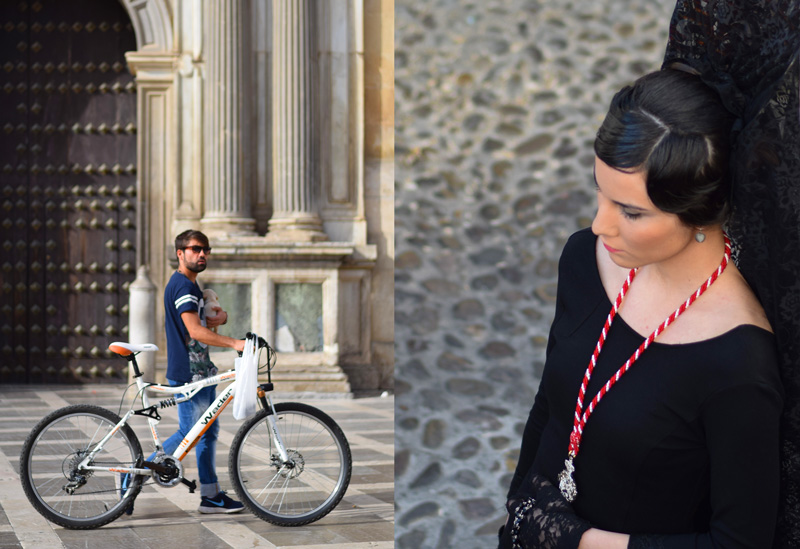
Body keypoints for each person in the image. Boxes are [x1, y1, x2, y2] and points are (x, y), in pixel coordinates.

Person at [499, 69, 783, 548]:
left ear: (703, 211)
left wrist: (579, 541)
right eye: (600, 191)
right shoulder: (582, 260)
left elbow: (740, 541)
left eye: (630, 212)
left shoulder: (737, 361)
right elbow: (551, 404)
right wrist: (518, 515)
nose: (600, 225)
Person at [149, 229, 246, 514]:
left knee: (206, 431)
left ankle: (211, 494)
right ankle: (135, 472)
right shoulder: (183, 286)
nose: (201, 254)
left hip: (200, 370)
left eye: (205, 249)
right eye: (194, 249)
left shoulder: (190, 285)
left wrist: (219, 318)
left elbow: (197, 326)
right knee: (192, 431)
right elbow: (194, 331)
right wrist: (234, 343)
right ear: (180, 253)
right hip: (190, 374)